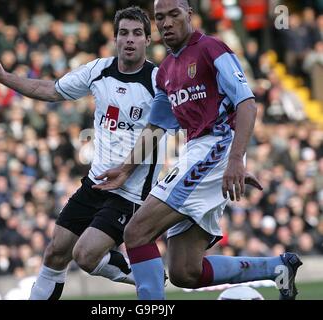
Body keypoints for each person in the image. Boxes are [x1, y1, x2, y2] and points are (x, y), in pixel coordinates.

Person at [93, 0, 303, 300]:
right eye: (160, 18)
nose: (166, 23)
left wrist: (234, 160)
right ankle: (278, 267)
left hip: (216, 147)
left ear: (189, 15)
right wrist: (126, 170)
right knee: (184, 271)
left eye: (174, 15)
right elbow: (156, 128)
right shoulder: (165, 70)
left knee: (136, 232)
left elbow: (247, 103)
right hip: (198, 153)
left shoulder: (212, 49)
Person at [0, 6, 163, 300]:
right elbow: (48, 89)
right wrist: (2, 76)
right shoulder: (98, 70)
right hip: (96, 182)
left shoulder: (158, 81)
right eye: (123, 33)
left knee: (85, 256)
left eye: (137, 34)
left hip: (131, 192)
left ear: (147, 40)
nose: (129, 39)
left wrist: (126, 171)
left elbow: (158, 131)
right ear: (114, 38)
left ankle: (146, 272)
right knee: (55, 252)